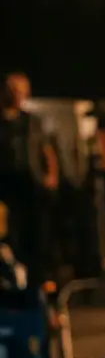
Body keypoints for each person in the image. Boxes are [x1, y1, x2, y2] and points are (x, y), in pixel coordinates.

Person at [0, 70, 59, 286]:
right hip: (6, 184)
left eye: (22, 91)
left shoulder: (32, 122)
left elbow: (46, 150)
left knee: (37, 232)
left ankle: (39, 278)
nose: (17, 95)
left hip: (31, 185)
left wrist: (51, 175)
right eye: (13, 91)